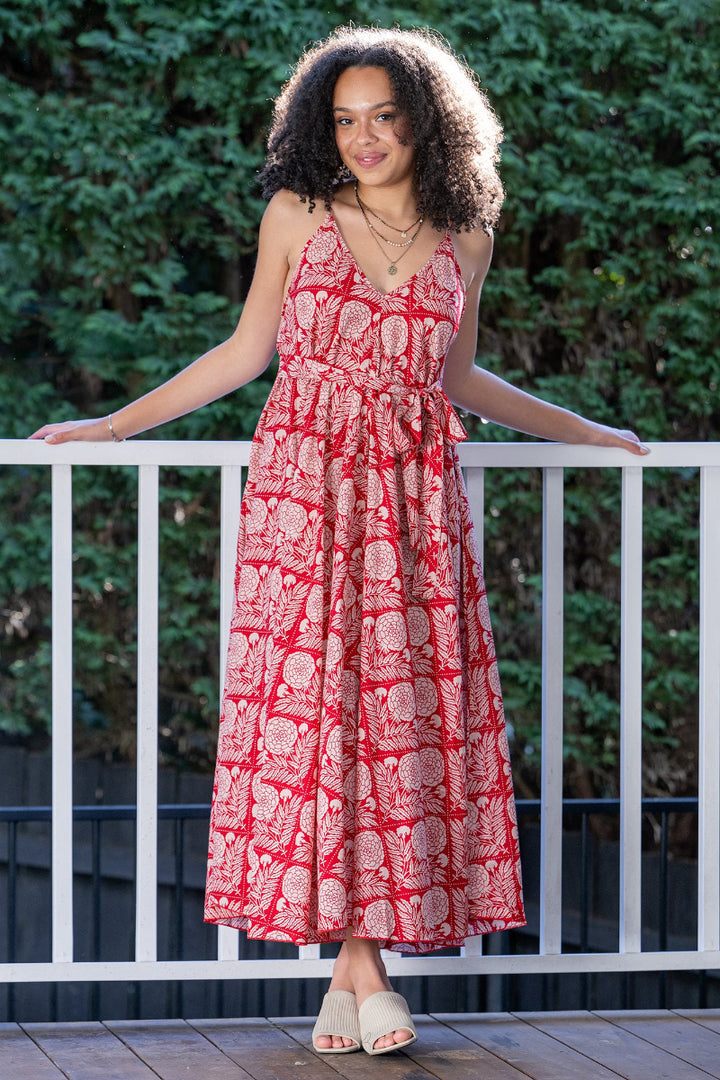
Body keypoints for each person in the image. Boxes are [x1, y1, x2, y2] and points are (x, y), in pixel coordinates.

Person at [31, 26, 647, 1056]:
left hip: (414, 510)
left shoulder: (468, 239)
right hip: (305, 502)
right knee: (320, 721)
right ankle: (364, 971)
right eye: (345, 120)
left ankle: (349, 981)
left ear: (427, 122)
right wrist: (109, 425)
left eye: (385, 117)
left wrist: (586, 430)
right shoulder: (298, 214)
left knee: (400, 722)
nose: (363, 138)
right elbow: (241, 355)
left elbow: (458, 382)